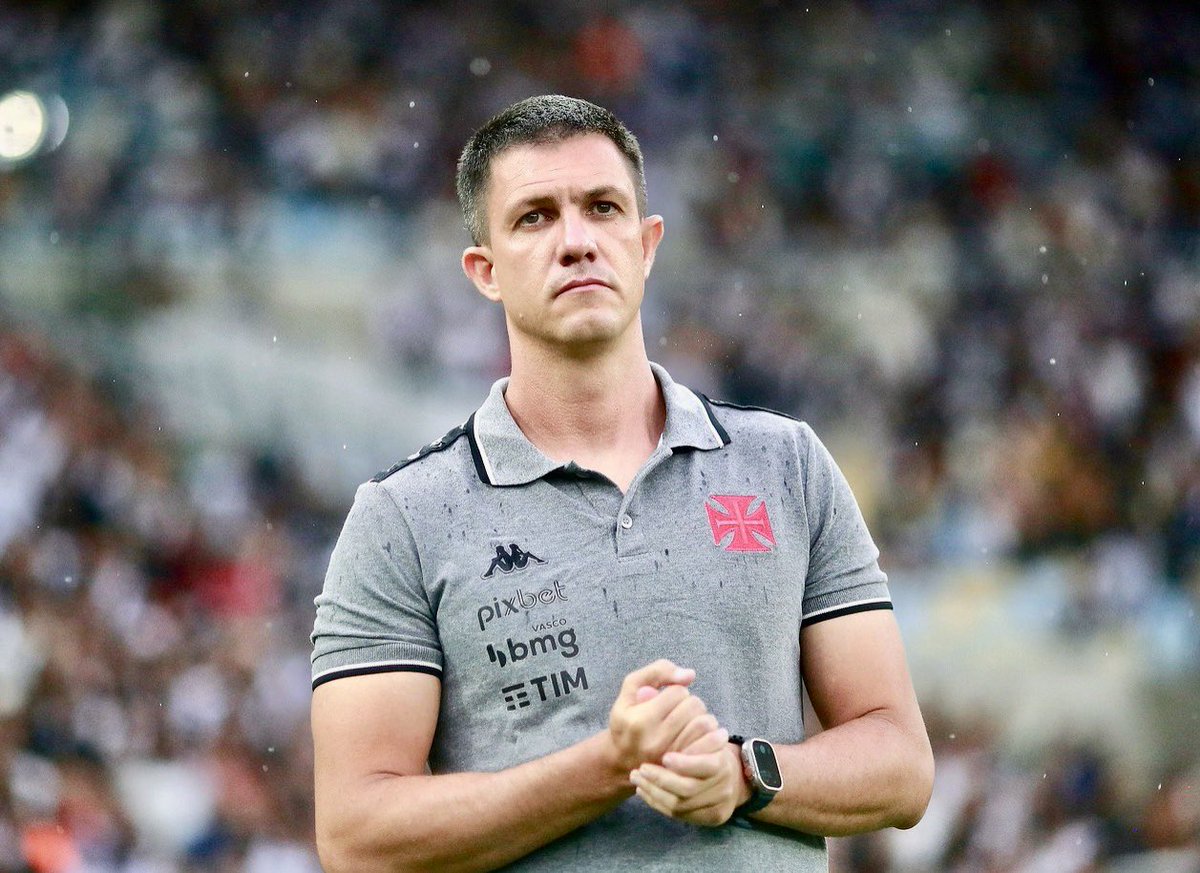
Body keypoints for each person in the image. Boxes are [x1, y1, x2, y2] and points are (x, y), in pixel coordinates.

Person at [310, 94, 934, 872]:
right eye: (535, 217)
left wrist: (745, 774)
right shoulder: (403, 518)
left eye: (602, 207)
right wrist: (607, 766)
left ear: (646, 244)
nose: (576, 241)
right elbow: (357, 834)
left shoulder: (787, 464)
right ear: (485, 271)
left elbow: (901, 765)